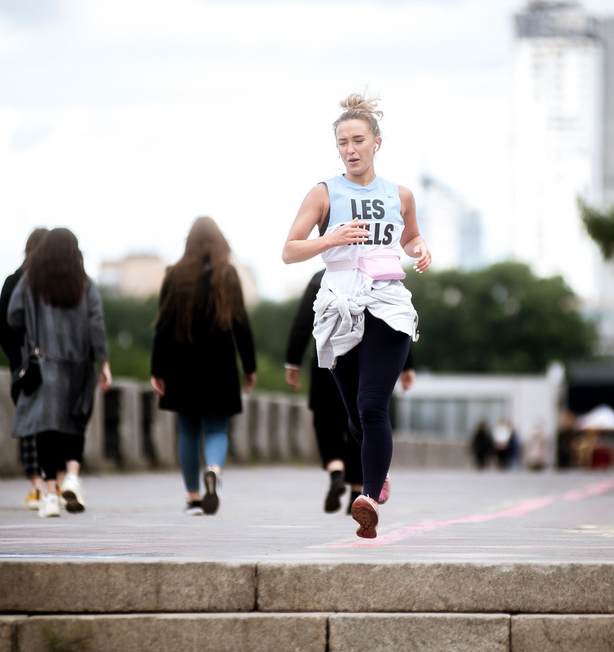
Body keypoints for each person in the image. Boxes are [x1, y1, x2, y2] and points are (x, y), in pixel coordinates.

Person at [281, 92, 431, 539]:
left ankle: (366, 497)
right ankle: (377, 472)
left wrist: (419, 250)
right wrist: (331, 238)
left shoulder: (399, 195)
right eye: (343, 142)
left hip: (387, 305)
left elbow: (411, 238)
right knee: (352, 417)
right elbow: (290, 250)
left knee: (371, 406)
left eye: (358, 140)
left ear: (376, 143)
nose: (350, 149)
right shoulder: (324, 193)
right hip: (339, 308)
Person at [285, 269, 415, 514]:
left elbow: (302, 323)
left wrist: (292, 361)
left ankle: (336, 471)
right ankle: (358, 488)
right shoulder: (376, 278)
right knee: (362, 418)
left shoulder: (320, 279)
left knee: (327, 420)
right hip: (362, 363)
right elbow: (393, 322)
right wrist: (407, 364)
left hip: (326, 361)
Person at [150, 216, 257, 516]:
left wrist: (157, 369)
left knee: (187, 430)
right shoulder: (228, 275)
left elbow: (162, 325)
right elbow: (241, 325)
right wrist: (249, 366)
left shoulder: (175, 275)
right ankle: (213, 469)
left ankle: (194, 497)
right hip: (220, 365)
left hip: (181, 364)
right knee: (216, 428)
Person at [7, 228, 112, 517]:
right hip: (79, 366)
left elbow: (13, 316)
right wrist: (103, 363)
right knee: (75, 421)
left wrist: (32, 333)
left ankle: (51, 494)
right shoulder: (85, 284)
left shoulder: (31, 282)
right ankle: (74, 477)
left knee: (47, 429)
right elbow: (96, 325)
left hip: (45, 363)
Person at [0, 227, 49, 510]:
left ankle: (36, 487)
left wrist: (18, 358)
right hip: (54, 365)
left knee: (28, 423)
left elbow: (1, 328)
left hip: (23, 366)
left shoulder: (12, 281)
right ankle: (56, 484)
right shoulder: (57, 281)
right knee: (52, 423)